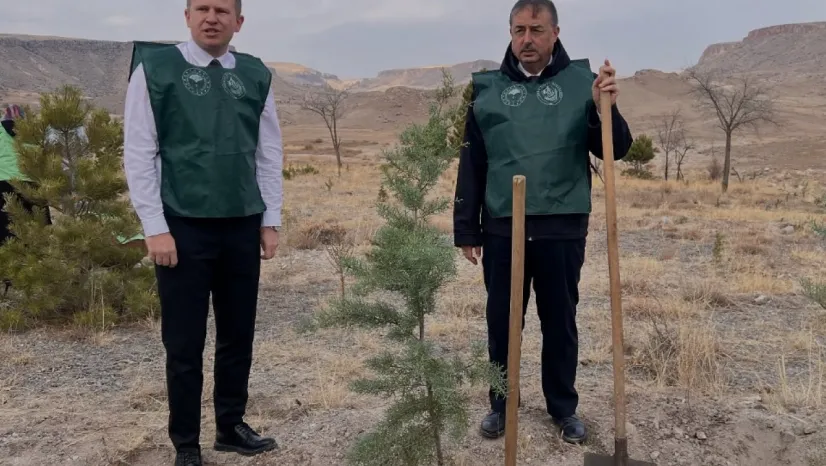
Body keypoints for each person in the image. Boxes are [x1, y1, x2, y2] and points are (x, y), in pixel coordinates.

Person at [452, 0, 633, 445]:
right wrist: (466, 228)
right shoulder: (488, 91)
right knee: (502, 321)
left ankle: (562, 407)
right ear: (510, 33)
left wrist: (600, 106)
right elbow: (472, 162)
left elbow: (619, 147)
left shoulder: (582, 84)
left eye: (536, 29)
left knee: (559, 320)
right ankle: (501, 403)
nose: (526, 39)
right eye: (519, 30)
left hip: (562, 226)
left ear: (555, 32)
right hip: (501, 226)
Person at [123, 1, 283, 464]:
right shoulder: (156, 68)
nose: (212, 18)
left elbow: (268, 151)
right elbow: (139, 150)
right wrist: (155, 227)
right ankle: (186, 444)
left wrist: (270, 219)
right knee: (185, 340)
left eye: (222, 10)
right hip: (182, 225)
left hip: (241, 224)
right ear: (187, 16)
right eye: (203, 8)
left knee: (238, 334)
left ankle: (230, 425)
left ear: (239, 22)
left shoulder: (255, 74)